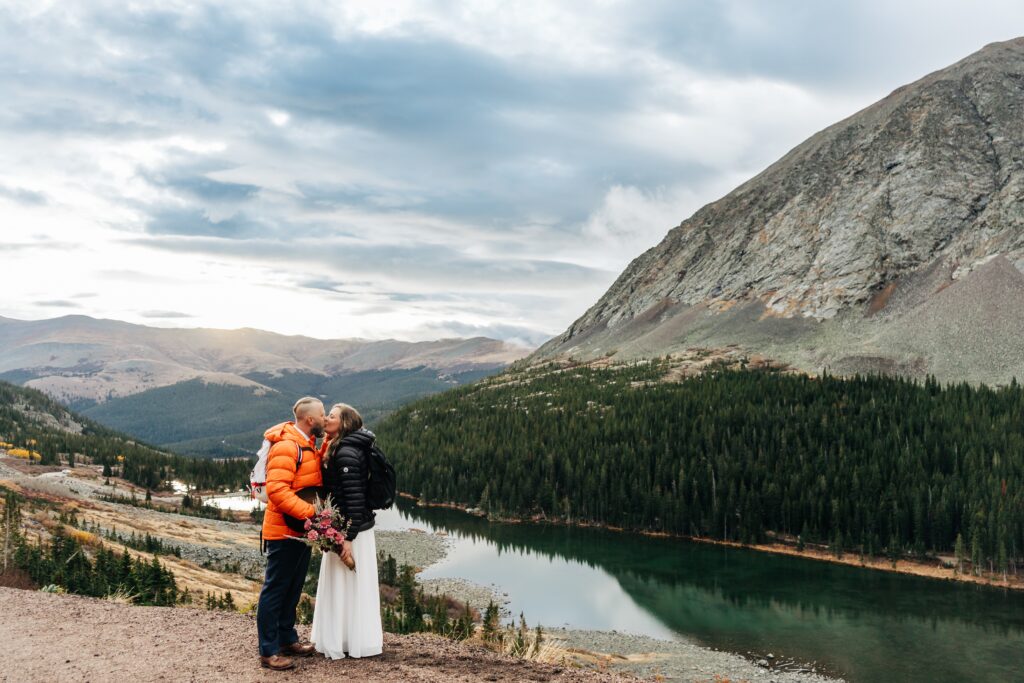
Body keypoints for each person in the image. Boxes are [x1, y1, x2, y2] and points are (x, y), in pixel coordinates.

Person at [256, 397, 325, 671]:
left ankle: (287, 639)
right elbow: (277, 491)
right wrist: (313, 514)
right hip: (284, 532)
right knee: (275, 590)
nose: (324, 417)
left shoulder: (307, 444)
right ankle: (269, 650)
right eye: (322, 414)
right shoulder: (288, 446)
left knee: (292, 589)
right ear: (310, 420)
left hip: (299, 532)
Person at [310, 403, 384, 659]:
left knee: (347, 583)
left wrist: (347, 538)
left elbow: (353, 499)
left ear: (344, 423)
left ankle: (349, 640)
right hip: (347, 528)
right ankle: (349, 638)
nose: (327, 418)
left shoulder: (346, 453)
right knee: (348, 584)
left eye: (332, 415)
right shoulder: (341, 447)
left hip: (352, 531)